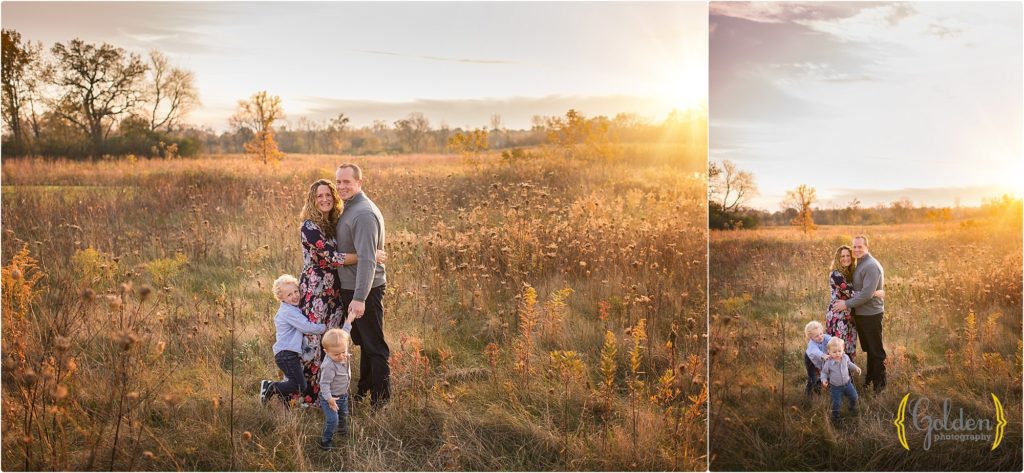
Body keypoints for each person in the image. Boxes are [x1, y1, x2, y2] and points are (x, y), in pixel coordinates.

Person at [297, 179, 385, 406]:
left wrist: (367, 254)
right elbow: (333, 257)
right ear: (312, 200)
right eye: (319, 196)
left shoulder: (333, 222)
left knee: (332, 340)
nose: (325, 199)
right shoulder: (309, 226)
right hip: (316, 291)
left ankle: (330, 392)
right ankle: (309, 396)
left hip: (335, 290)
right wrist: (368, 255)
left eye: (328, 195)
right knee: (314, 341)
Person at [334, 163, 390, 407]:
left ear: (359, 183)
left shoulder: (363, 213)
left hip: (364, 289)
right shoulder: (351, 207)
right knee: (365, 343)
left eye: (347, 182)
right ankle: (364, 389)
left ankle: (381, 400)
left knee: (374, 345)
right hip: (355, 287)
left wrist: (359, 297)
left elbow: (368, 259)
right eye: (338, 182)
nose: (341, 186)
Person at [259, 274, 326, 405]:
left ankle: (284, 403)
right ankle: (270, 387)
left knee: (292, 382)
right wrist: (325, 327)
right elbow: (306, 327)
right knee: (300, 386)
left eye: (296, 291)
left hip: (287, 354)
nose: (295, 296)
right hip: (286, 354)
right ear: (281, 298)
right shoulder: (288, 312)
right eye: (289, 295)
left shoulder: (292, 309)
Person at [834, 235, 886, 392]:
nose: (856, 249)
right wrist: (875, 292)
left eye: (859, 247)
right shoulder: (860, 264)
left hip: (871, 315)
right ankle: (869, 380)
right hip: (862, 314)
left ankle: (880, 387)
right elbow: (864, 290)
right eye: (854, 247)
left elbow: (865, 294)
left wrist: (846, 304)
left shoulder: (871, 265)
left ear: (867, 247)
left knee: (876, 351)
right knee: (870, 350)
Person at [825, 245, 885, 361]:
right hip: (839, 316)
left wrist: (868, 291)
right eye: (842, 256)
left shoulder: (848, 272)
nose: (846, 258)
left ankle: (848, 377)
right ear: (838, 258)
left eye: (848, 255)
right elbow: (850, 292)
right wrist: (874, 293)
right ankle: (834, 377)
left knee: (849, 346)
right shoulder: (836, 274)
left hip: (850, 314)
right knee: (838, 348)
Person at [318, 313, 356, 450]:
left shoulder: (341, 347)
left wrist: (350, 320)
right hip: (330, 397)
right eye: (336, 354)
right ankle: (325, 441)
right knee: (333, 419)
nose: (341, 356)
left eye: (343, 352)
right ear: (326, 351)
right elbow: (324, 384)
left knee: (343, 415)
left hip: (342, 395)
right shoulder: (329, 365)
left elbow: (345, 333)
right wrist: (329, 399)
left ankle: (343, 433)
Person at [820, 337, 862, 423]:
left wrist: (856, 368)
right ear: (829, 351)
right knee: (836, 403)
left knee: (854, 396)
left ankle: (852, 408)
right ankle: (835, 417)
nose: (837, 353)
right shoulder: (828, 363)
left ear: (843, 349)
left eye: (839, 351)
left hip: (848, 384)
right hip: (835, 388)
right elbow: (824, 372)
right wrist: (823, 380)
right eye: (834, 352)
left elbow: (849, 364)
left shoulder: (845, 357)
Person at [803, 320, 831, 396]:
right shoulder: (812, 344)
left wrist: (838, 343)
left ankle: (819, 390)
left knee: (822, 374)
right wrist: (823, 355)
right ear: (811, 337)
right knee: (813, 377)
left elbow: (832, 340)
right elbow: (815, 351)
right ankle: (808, 394)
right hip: (810, 360)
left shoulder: (825, 337)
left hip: (821, 359)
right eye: (817, 336)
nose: (820, 336)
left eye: (821, 333)